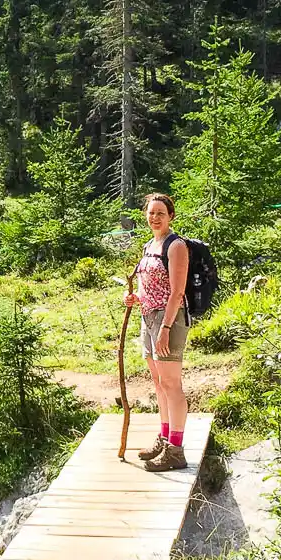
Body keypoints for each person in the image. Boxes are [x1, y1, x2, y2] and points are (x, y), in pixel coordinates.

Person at [124, 193, 189, 471]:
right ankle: (164, 438)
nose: (155, 217)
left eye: (160, 213)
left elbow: (177, 292)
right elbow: (150, 284)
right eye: (151, 213)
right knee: (159, 382)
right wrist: (136, 298)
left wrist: (165, 328)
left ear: (171, 216)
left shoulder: (176, 246)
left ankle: (176, 449)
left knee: (172, 384)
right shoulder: (150, 245)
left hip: (168, 320)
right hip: (148, 317)